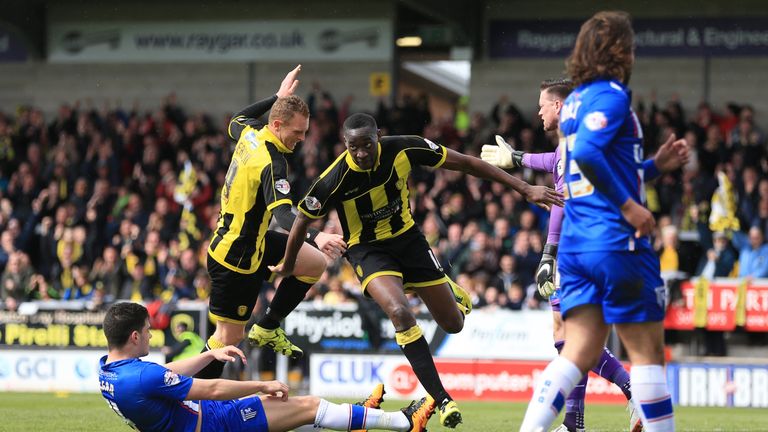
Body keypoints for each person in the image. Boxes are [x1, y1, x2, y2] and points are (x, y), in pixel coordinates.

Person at [269, 112, 564, 428]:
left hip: (409, 242)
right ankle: (442, 399)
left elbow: (466, 163)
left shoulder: (405, 149)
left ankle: (444, 286)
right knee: (399, 312)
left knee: (453, 324)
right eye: (354, 147)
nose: (362, 153)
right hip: (367, 251)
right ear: (345, 144)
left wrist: (524, 188)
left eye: (367, 144)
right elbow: (300, 221)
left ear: (378, 136)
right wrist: (289, 262)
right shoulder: (333, 178)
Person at [482, 78, 688, 432]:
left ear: (559, 106)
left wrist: (549, 252)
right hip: (598, 246)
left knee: (573, 343)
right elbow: (554, 162)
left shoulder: (583, 134)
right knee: (572, 341)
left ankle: (623, 395)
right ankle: (577, 421)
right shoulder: (578, 138)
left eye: (542, 104)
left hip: (580, 249)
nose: (538, 111)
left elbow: (563, 197)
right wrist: (516, 157)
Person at [518, 11, 676, 432]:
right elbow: (587, 155)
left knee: (576, 351)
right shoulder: (611, 96)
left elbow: (586, 167)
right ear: (619, 50)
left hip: (577, 245)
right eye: (631, 45)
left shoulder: (575, 105)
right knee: (646, 354)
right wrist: (631, 208)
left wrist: (653, 167)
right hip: (615, 241)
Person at [197, 65, 346, 379]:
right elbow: (283, 214)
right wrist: (317, 235)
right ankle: (184, 394)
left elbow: (237, 119)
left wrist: (278, 97)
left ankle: (267, 326)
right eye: (297, 132)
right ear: (277, 125)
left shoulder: (251, 133)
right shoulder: (272, 162)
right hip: (235, 257)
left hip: (255, 243)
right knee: (227, 339)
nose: (302, 139)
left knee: (314, 264)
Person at [100, 302, 435, 432]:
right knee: (307, 405)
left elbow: (166, 372)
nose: (149, 335)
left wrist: (207, 356)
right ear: (133, 336)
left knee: (292, 412)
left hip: (199, 419)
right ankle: (405, 423)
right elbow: (212, 389)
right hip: (213, 425)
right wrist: (261, 385)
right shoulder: (143, 375)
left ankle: (355, 418)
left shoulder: (109, 371)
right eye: (146, 331)